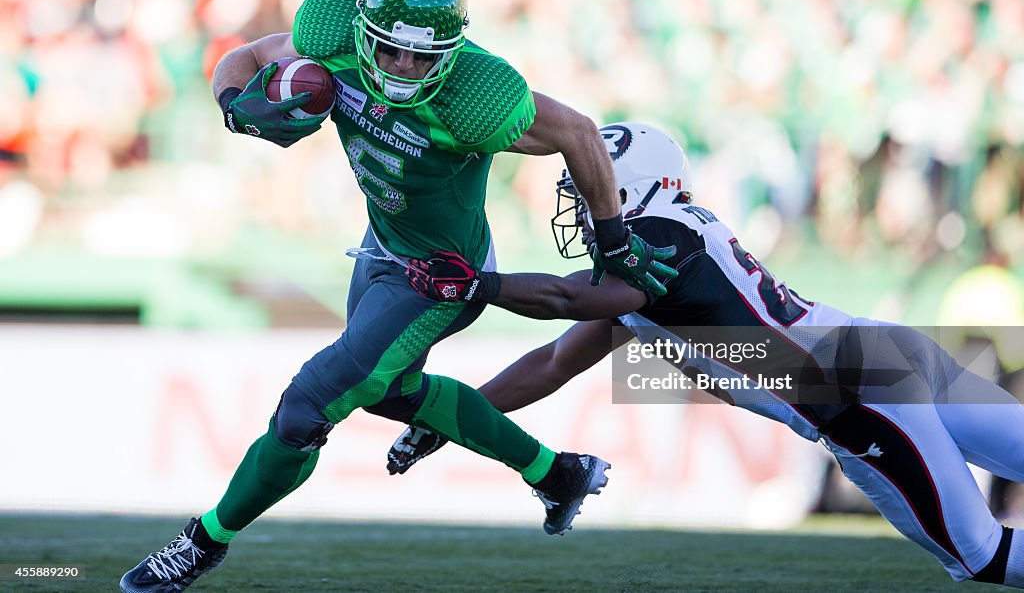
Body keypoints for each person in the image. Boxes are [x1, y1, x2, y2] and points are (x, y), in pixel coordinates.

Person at [120, 0, 678, 593]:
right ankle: (556, 473)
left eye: (425, 57)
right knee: (389, 389)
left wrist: (614, 239)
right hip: (383, 248)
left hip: (441, 277)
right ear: (362, 32)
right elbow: (243, 60)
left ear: (452, 50)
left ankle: (202, 542)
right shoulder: (330, 42)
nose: (407, 68)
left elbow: (579, 132)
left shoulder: (478, 97)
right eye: (391, 51)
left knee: (309, 404)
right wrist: (235, 106)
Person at [391, 121, 1024, 589]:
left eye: (588, 187)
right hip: (881, 352)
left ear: (628, 185)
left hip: (853, 393)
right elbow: (553, 363)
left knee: (984, 557)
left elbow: (562, 298)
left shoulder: (655, 242)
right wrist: (447, 421)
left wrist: (480, 284)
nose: (582, 207)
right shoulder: (654, 251)